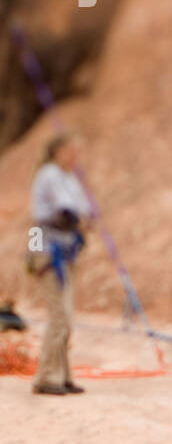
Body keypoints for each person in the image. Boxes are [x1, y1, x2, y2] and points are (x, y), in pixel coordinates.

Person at [27, 133, 92, 396]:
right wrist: (79, 219)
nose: (76, 157)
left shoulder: (70, 177)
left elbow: (83, 211)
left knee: (67, 317)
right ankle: (46, 377)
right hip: (47, 251)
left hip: (66, 253)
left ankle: (62, 375)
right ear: (59, 151)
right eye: (72, 151)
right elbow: (66, 211)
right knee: (58, 316)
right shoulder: (50, 174)